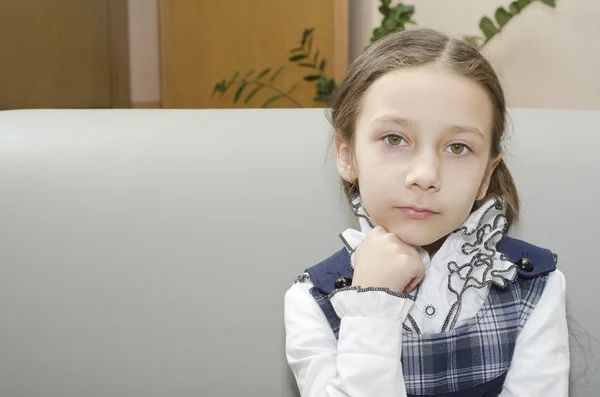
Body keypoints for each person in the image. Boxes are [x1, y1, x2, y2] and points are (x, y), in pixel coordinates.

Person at [284, 28, 569, 397]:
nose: (425, 176)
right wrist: (372, 306)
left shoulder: (536, 285)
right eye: (394, 139)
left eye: (458, 147)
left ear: (486, 174)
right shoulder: (312, 301)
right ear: (347, 155)